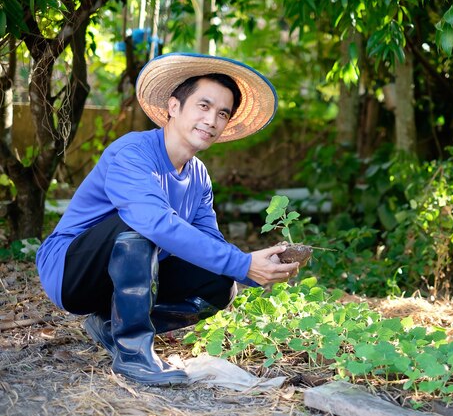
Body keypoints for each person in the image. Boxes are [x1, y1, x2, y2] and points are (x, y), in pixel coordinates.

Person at [36, 53, 300, 386]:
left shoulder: (199, 176)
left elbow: (211, 243)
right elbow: (154, 223)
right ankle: (132, 354)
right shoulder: (132, 152)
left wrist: (255, 267)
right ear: (174, 107)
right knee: (142, 226)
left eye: (222, 113)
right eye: (203, 106)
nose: (212, 120)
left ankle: (111, 325)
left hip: (130, 272)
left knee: (220, 282)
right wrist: (241, 262)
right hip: (71, 272)